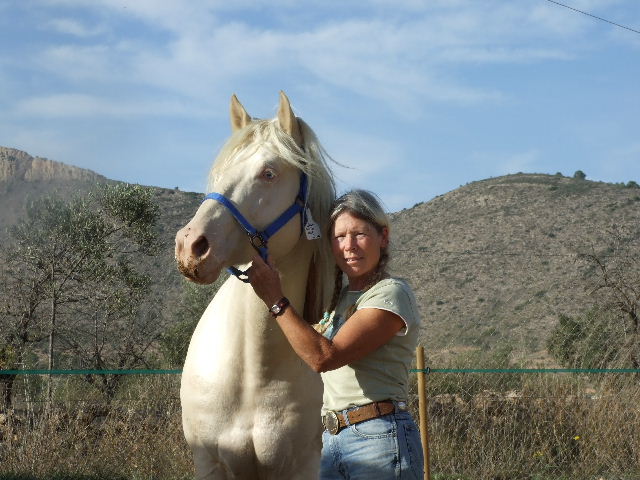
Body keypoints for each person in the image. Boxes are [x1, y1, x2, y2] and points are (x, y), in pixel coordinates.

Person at [248, 189, 424, 479]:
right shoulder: (339, 299)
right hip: (333, 441)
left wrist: (275, 300)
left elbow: (323, 356)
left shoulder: (390, 293)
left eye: (359, 234)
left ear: (383, 237)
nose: (349, 246)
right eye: (340, 237)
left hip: (379, 438)